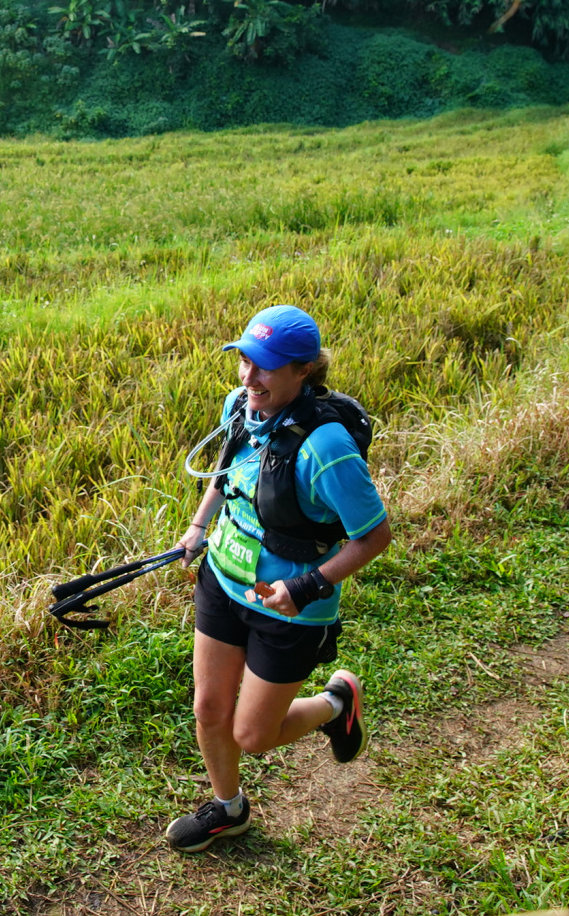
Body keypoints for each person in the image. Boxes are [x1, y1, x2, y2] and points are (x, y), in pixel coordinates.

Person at [165, 304, 393, 854]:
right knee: (209, 709)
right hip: (224, 579)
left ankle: (337, 703)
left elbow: (374, 537)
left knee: (252, 735)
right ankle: (228, 810)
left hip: (289, 606)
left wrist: (306, 587)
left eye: (265, 367)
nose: (249, 377)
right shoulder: (241, 406)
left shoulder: (327, 449)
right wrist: (198, 527)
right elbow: (225, 473)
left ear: (303, 370)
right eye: (244, 360)